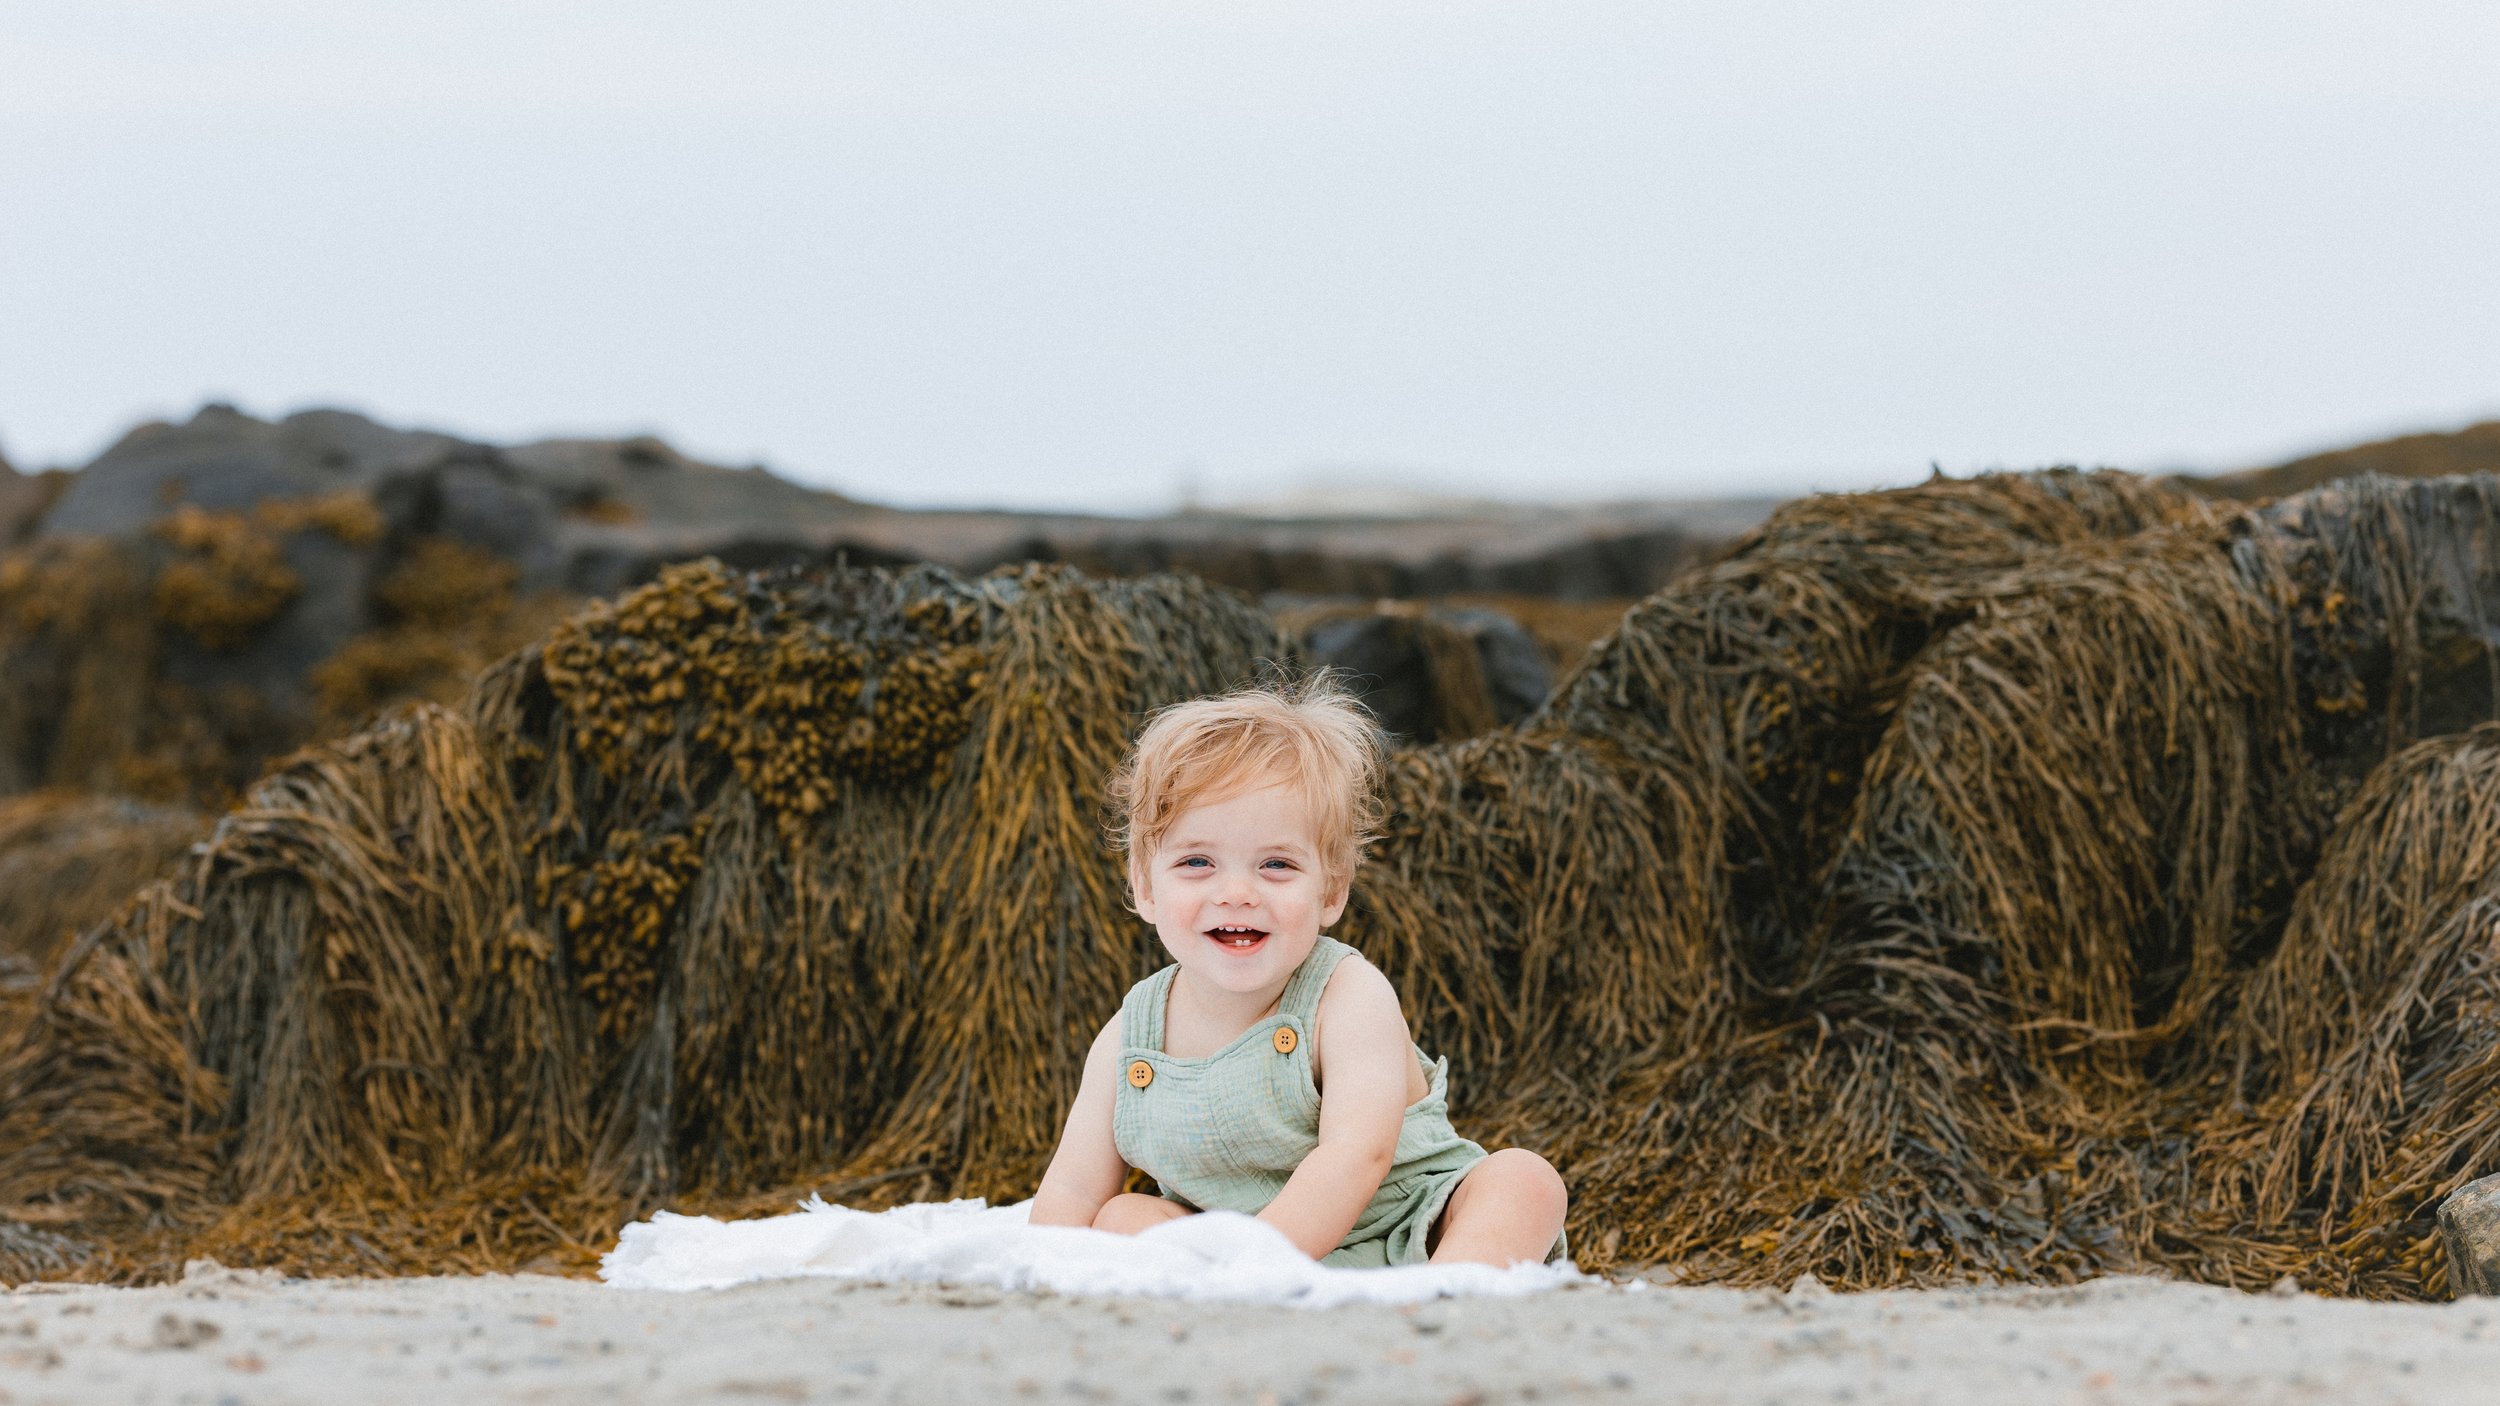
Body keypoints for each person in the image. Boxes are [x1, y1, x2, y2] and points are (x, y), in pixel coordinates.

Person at [1028, 675, 1569, 1267]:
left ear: (1331, 891)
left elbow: (1357, 1153)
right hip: (1239, 1252)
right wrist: (1039, 1275)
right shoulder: (1131, 1038)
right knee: (1122, 1218)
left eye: (1277, 864)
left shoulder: (1347, 995)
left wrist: (1263, 1266)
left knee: (1523, 1179)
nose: (1236, 893)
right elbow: (1074, 1188)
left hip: (1412, 1230)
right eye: (1197, 862)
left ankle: (1447, 1299)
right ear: (1143, 886)